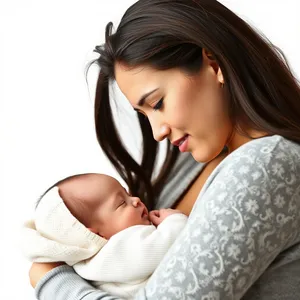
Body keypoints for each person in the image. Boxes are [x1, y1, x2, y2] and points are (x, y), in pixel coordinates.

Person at [29, 0, 300, 299]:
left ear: (212, 64)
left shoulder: (265, 166)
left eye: (157, 103)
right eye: (144, 115)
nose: (157, 133)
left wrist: (54, 282)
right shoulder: (191, 163)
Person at [22, 173, 187, 299]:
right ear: (92, 234)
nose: (136, 200)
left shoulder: (87, 267)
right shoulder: (118, 250)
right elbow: (170, 243)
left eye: (127, 194)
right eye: (122, 203)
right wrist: (173, 220)